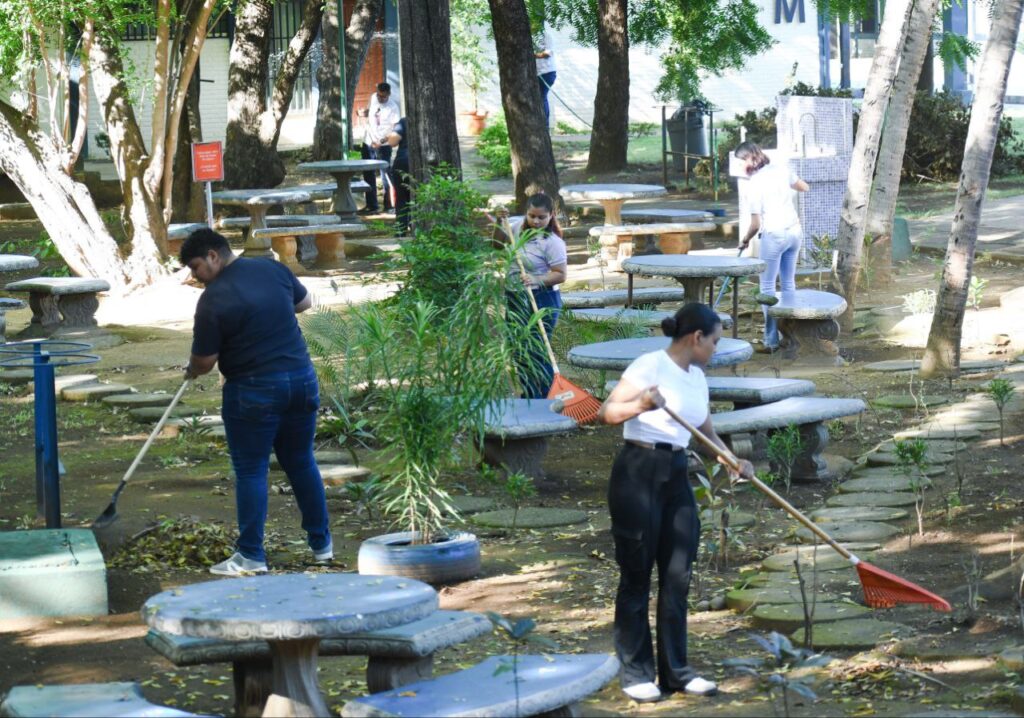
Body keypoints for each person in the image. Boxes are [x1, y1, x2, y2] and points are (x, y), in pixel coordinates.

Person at [597, 303, 754, 703]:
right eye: (714, 341)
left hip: (676, 472)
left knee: (678, 574)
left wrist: (733, 459)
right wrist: (641, 405)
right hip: (638, 470)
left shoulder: (697, 378)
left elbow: (706, 434)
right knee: (636, 575)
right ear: (696, 337)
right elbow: (606, 413)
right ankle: (636, 673)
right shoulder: (649, 365)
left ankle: (677, 672)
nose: (716, 349)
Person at [181, 228, 332, 576]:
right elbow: (304, 303)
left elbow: (204, 362)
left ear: (213, 256)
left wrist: (190, 370)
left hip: (253, 390)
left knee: (251, 469)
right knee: (301, 461)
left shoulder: (213, 298)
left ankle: (250, 555)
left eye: (196, 266)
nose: (195, 276)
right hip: (301, 381)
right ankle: (322, 546)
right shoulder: (272, 268)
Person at [734, 141, 810, 352]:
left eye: (741, 161)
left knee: (767, 288)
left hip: (774, 235)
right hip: (794, 232)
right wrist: (785, 191)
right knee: (788, 284)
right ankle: (790, 335)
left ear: (750, 158)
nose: (740, 166)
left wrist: (745, 239)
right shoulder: (781, 169)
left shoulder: (754, 184)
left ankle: (771, 340)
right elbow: (805, 187)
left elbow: (755, 224)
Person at [492, 193, 568, 399]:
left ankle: (542, 398)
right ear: (526, 213)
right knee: (519, 349)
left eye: (541, 217)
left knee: (536, 351)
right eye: (532, 216)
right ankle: (529, 395)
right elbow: (497, 244)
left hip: (542, 298)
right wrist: (499, 221)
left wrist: (536, 279)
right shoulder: (516, 226)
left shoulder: (552, 242)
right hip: (516, 296)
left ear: (551, 215)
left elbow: (560, 274)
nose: (536, 221)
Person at [358, 82, 401, 215]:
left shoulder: (393, 107)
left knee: (385, 174)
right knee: (368, 173)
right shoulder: (373, 98)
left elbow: (395, 129)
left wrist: (381, 141)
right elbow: (368, 112)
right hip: (368, 142)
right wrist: (363, 114)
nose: (380, 98)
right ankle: (372, 205)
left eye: (383, 96)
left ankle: (389, 205)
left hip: (383, 145)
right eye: (378, 95)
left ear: (389, 94)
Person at [386, 117, 411, 236]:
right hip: (424, 163)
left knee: (402, 198)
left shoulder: (405, 121)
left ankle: (401, 230)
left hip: (403, 162)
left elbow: (392, 141)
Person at [532, 21, 557, 125]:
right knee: (536, 97)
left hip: (547, 73)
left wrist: (532, 55)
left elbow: (547, 53)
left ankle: (545, 125)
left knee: (542, 97)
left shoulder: (546, 36)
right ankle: (538, 123)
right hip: (537, 73)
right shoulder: (530, 36)